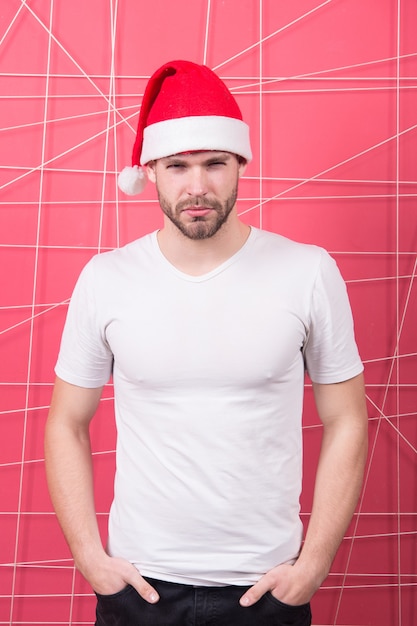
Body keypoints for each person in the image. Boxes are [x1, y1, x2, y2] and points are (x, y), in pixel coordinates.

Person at [45, 60, 368, 626]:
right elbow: (66, 421)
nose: (197, 187)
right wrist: (90, 560)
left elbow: (347, 420)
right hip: (138, 587)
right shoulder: (106, 278)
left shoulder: (308, 271)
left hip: (266, 587)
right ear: (151, 170)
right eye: (178, 166)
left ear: (240, 162)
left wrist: (312, 566)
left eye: (214, 163)